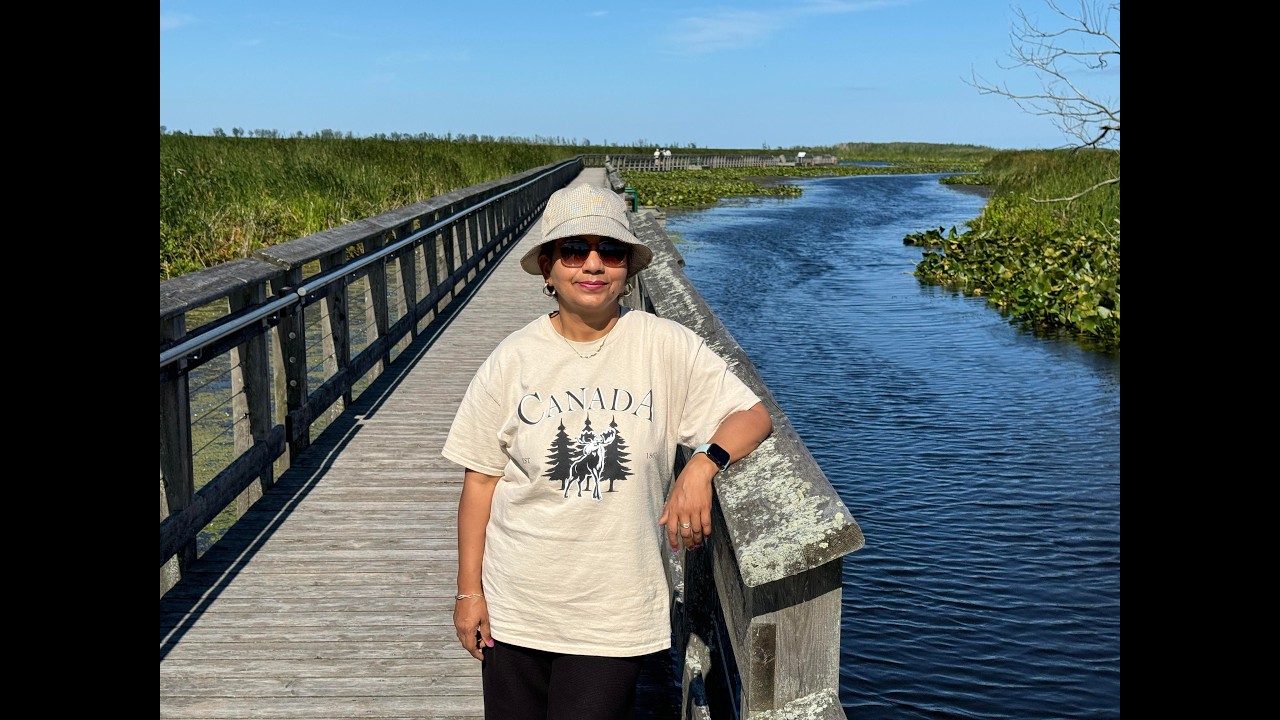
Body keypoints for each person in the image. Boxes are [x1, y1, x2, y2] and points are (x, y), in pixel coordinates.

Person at [443, 182, 773, 720]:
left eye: (610, 251)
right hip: (516, 601)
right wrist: (468, 594)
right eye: (574, 250)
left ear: (627, 268)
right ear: (548, 269)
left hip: (614, 608)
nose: (593, 265)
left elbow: (753, 416)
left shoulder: (663, 344)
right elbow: (480, 481)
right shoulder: (512, 359)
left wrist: (701, 464)